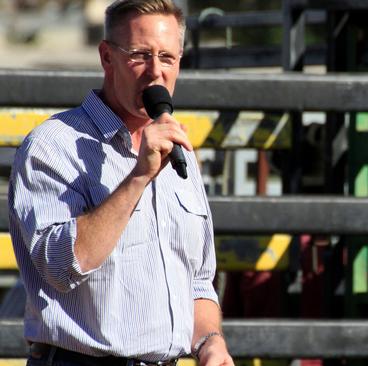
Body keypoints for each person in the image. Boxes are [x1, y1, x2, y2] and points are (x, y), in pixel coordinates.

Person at [8, 1, 234, 365]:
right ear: (106, 57)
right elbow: (60, 267)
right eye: (140, 55)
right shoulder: (52, 146)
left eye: (167, 58)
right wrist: (138, 178)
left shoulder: (180, 152)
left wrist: (210, 341)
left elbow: (197, 282)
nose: (156, 72)